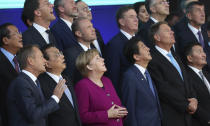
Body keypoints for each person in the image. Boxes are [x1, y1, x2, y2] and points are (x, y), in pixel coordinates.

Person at [147, 21, 197, 126]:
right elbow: (162, 88)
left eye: (171, 30)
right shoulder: (152, 58)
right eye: (167, 31)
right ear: (157, 37)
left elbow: (186, 79)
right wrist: (186, 104)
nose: (172, 33)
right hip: (171, 114)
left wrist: (194, 99)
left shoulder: (175, 55)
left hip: (187, 114)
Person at [7, 45, 66, 126]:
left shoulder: (34, 81)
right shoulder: (21, 83)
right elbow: (33, 115)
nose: (45, 61)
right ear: (30, 61)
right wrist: (55, 98)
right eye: (42, 57)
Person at [74, 49, 128, 126]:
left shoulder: (107, 81)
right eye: (97, 58)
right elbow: (82, 116)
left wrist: (121, 111)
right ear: (89, 66)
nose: (103, 59)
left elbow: (114, 105)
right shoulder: (82, 86)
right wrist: (107, 114)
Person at [38, 44, 82, 126]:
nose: (62, 56)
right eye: (56, 55)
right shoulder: (41, 83)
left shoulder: (66, 79)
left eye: (60, 53)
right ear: (47, 63)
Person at [122, 37, 162, 126]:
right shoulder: (130, 76)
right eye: (143, 47)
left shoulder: (147, 73)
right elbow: (130, 108)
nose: (148, 48)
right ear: (136, 56)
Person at [105, 6, 138, 97]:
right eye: (131, 17)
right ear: (122, 22)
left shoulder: (140, 40)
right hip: (127, 94)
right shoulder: (114, 44)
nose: (136, 19)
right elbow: (113, 75)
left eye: (136, 16)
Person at [175, 1, 210, 71]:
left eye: (203, 10)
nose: (203, 14)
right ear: (189, 16)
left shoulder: (204, 28)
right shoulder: (180, 35)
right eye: (198, 11)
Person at [0, 23, 22, 126]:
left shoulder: (22, 59)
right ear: (5, 40)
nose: (20, 35)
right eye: (16, 33)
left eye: (19, 32)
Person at [63, 17, 97, 84]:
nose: (93, 29)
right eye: (88, 27)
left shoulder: (95, 50)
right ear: (79, 33)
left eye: (92, 26)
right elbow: (69, 80)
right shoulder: (70, 54)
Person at [184, 43, 210, 126]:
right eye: (199, 52)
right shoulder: (186, 76)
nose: (204, 55)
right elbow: (191, 101)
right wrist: (207, 119)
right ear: (190, 58)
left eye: (203, 52)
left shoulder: (207, 74)